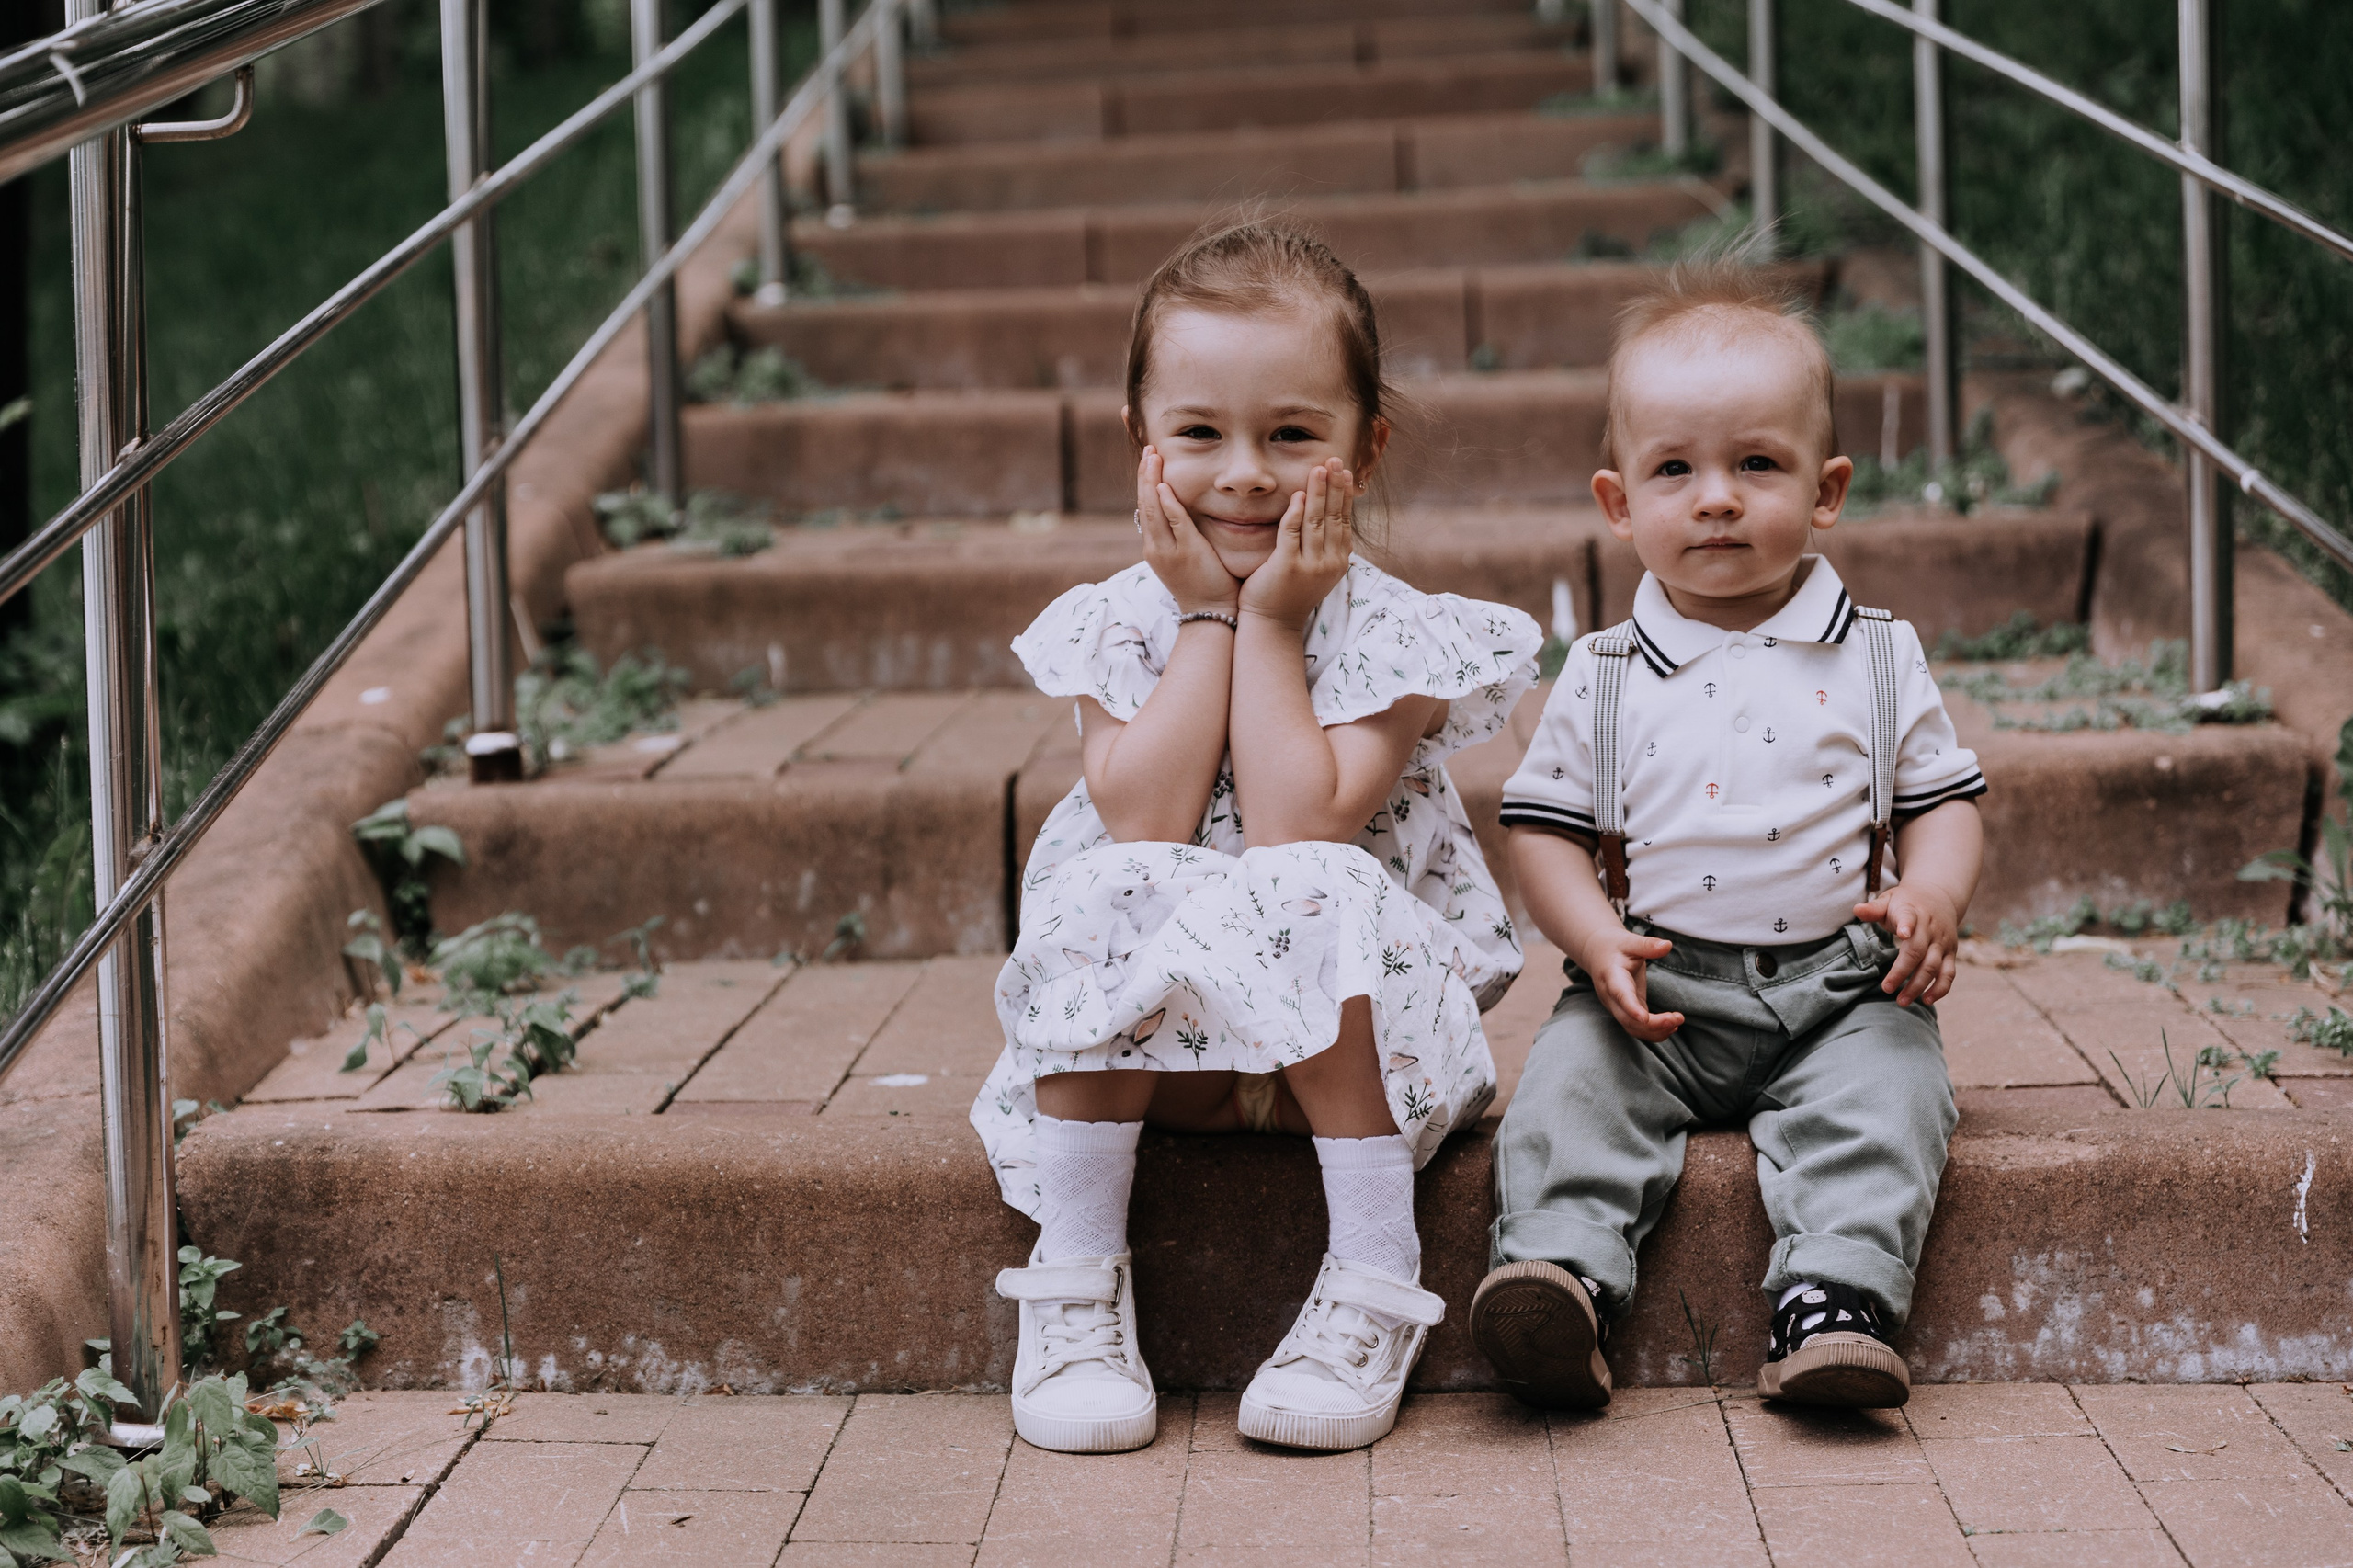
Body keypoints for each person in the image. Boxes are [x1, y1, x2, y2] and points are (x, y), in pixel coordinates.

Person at [971, 221, 1542, 1455]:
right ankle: (1076, 1284)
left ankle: (1371, 1283)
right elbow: (1145, 815)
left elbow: (1298, 827)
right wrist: (1202, 622)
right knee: (1108, 879)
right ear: (1144, 450)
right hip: (1167, 1068)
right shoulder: (1117, 623)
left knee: (1311, 881)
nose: (1243, 474)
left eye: (1291, 435)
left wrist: (1273, 623)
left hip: (1352, 1067)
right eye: (1199, 435)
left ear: (1366, 448)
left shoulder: (1400, 636)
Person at [1470, 255, 1985, 1412]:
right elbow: (1543, 835)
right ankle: (1559, 1274)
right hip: (1655, 990)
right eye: (1676, 469)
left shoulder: (1877, 650)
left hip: (1842, 988)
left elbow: (1938, 802)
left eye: (1756, 463)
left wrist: (1934, 896)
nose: (1715, 496)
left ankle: (1834, 1300)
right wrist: (1594, 939)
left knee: (1894, 1092)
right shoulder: (1599, 674)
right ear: (1618, 503)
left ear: (1826, 489)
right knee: (1567, 1086)